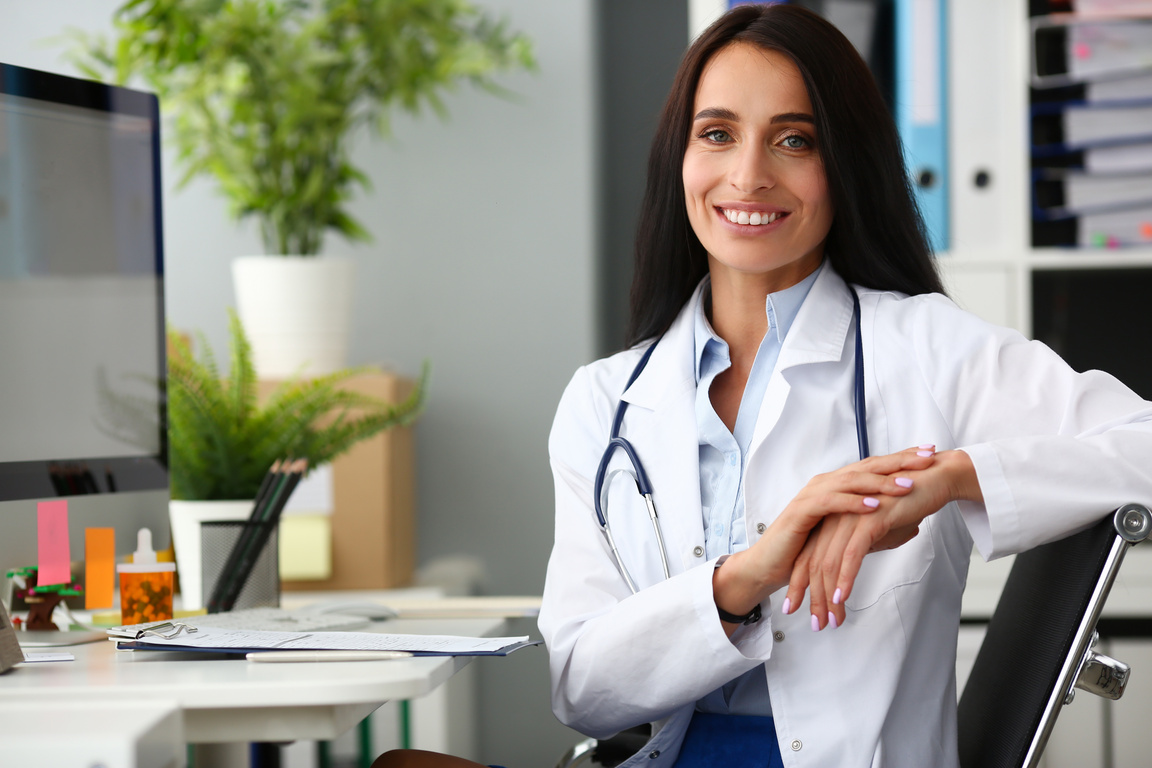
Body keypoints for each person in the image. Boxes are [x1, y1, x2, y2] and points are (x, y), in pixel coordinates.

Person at [376, 5, 1152, 768]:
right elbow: (582, 689)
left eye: (793, 140)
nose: (748, 175)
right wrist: (745, 577)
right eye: (717, 134)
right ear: (679, 159)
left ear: (843, 164)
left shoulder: (923, 347)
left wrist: (949, 479)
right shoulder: (605, 400)